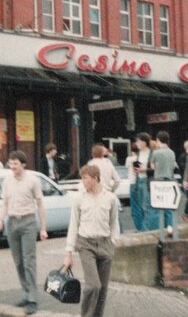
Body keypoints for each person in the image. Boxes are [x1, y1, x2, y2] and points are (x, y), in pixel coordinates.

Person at [0, 150, 48, 315]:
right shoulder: (7, 181)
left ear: (23, 164)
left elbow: (40, 204)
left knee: (29, 261)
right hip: (12, 222)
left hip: (28, 222)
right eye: (11, 164)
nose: (13, 167)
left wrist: (43, 228)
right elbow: (5, 203)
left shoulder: (33, 180)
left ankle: (32, 299)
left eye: (15, 164)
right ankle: (25, 293)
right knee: (18, 261)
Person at [64, 165, 119, 317]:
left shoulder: (111, 198)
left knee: (102, 289)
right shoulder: (79, 198)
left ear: (95, 178)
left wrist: (113, 242)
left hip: (105, 244)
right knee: (93, 286)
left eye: (85, 178)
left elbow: (114, 223)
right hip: (85, 244)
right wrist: (69, 252)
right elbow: (73, 225)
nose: (83, 181)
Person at [150, 131, 177, 236]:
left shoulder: (156, 153)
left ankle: (159, 228)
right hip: (169, 179)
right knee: (169, 204)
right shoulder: (172, 152)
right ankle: (170, 226)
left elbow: (152, 166)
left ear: (158, 140)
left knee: (158, 204)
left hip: (158, 180)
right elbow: (173, 166)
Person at [131, 132, 153, 231]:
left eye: (138, 141)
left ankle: (145, 229)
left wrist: (144, 170)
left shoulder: (152, 153)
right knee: (140, 206)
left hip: (147, 181)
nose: (136, 143)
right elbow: (138, 167)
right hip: (138, 180)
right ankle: (144, 228)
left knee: (146, 206)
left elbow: (154, 169)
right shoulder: (139, 153)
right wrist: (136, 169)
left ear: (144, 142)